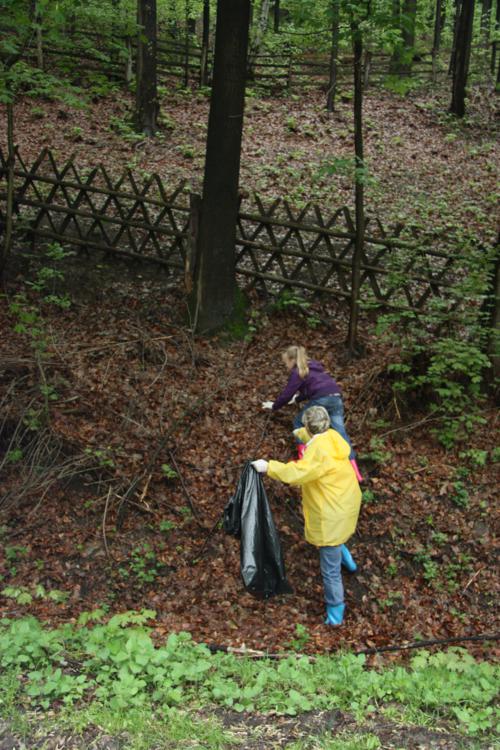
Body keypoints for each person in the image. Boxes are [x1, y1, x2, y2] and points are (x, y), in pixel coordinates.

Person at [251, 405, 361, 626]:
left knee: (330, 569)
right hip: (347, 502)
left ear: (309, 427)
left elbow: (298, 472)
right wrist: (300, 432)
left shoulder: (318, 455)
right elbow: (314, 434)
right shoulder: (333, 437)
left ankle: (336, 612)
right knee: (338, 537)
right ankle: (348, 561)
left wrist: (268, 467)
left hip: (332, 512)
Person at [262, 344, 362, 481]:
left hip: (322, 398)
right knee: (341, 433)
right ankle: (355, 472)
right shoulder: (313, 367)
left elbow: (287, 394)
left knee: (299, 422)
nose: (286, 365)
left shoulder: (297, 371)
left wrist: (274, 406)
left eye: (286, 362)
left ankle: (304, 461)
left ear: (292, 360)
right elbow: (312, 388)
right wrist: (297, 399)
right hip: (336, 397)